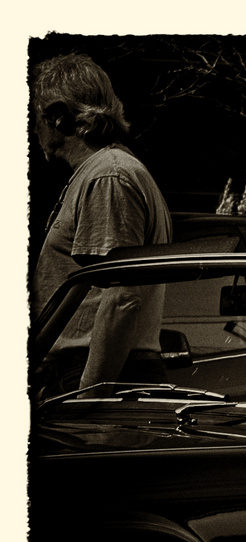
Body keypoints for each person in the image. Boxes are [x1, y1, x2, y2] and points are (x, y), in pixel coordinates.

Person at [33, 53, 173, 391]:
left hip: (97, 375)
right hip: (94, 371)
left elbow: (123, 298)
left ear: (59, 117)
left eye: (35, 117)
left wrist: (89, 395)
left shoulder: (108, 176)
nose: (32, 128)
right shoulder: (104, 172)